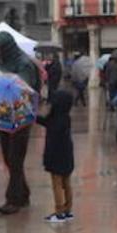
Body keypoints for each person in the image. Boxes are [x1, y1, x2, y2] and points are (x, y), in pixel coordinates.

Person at [0, 31, 41, 215]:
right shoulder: (3, 62)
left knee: (15, 158)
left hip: (21, 117)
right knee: (8, 158)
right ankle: (23, 193)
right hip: (4, 115)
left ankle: (13, 200)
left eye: (0, 48)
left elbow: (24, 88)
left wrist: (5, 81)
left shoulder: (24, 63)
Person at [38, 88, 75, 222]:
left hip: (56, 156)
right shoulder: (65, 118)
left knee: (57, 183)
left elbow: (47, 123)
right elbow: (45, 122)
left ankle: (59, 211)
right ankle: (68, 210)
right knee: (67, 183)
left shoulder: (55, 119)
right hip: (67, 155)